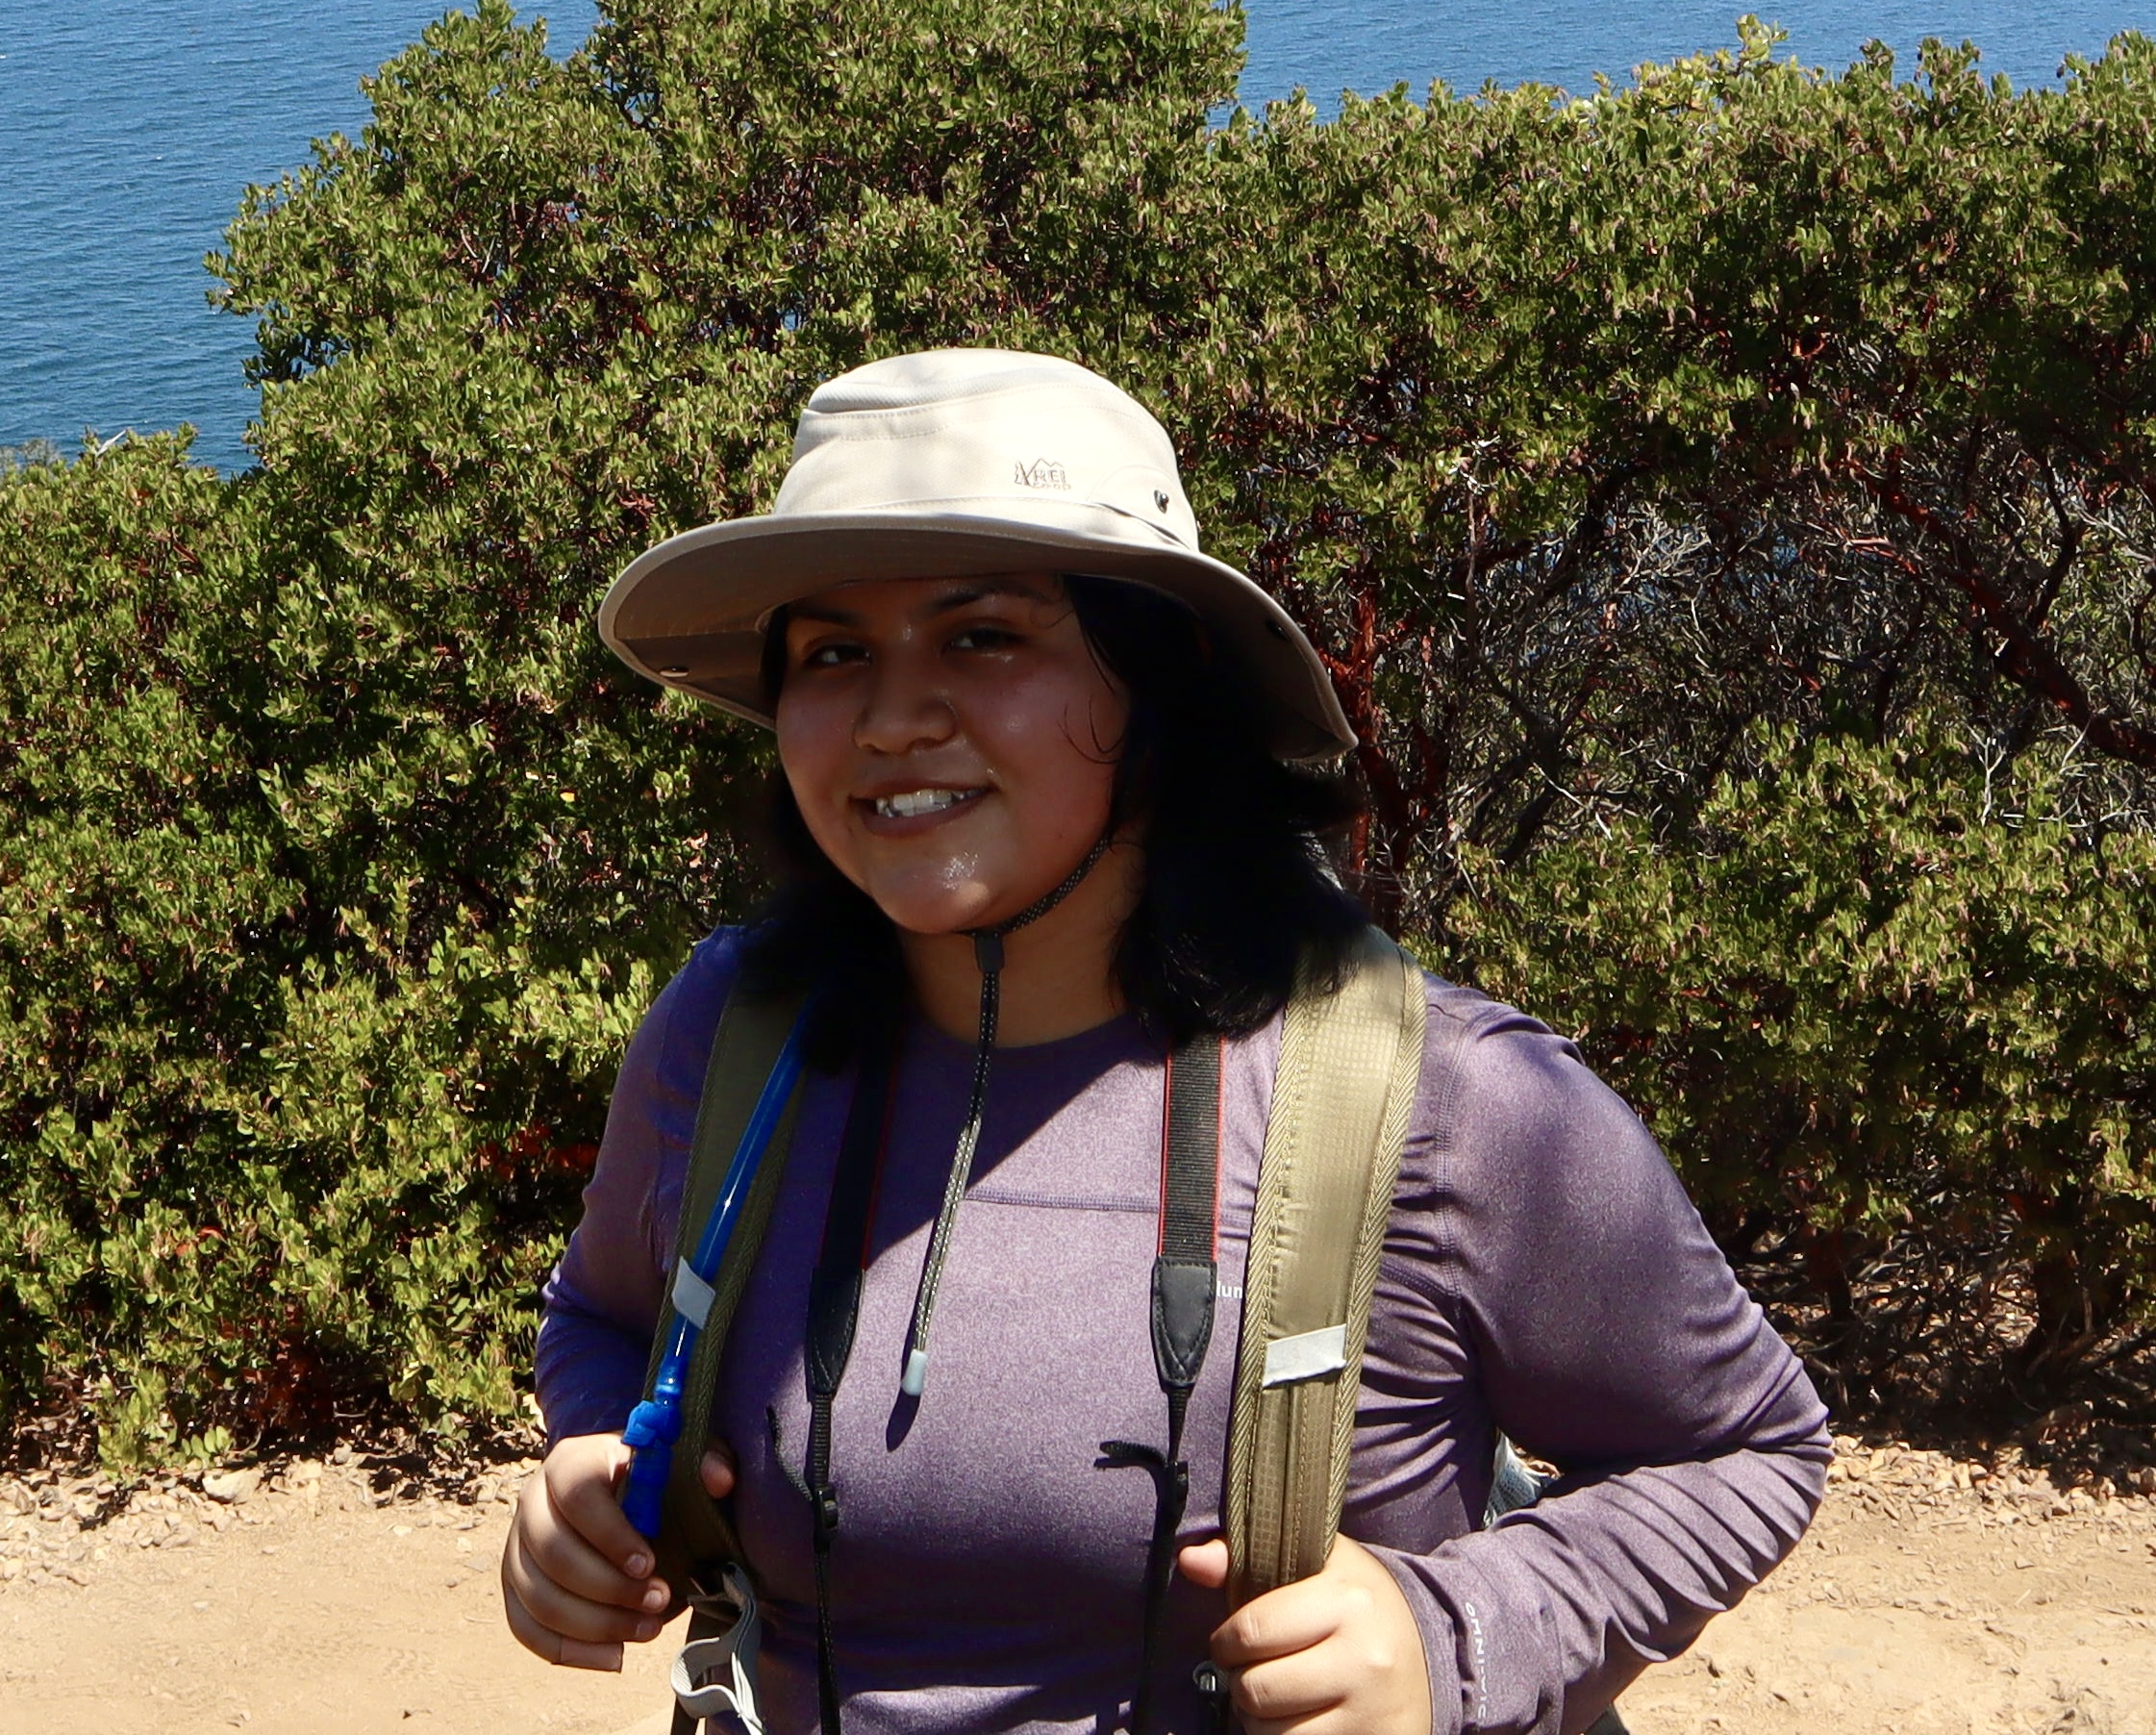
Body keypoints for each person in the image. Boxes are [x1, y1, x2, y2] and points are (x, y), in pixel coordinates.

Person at [505, 349, 1829, 1735]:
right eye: (833, 654)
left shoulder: (1441, 1101)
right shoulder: (731, 1038)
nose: (891, 719)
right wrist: (596, 1470)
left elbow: (1744, 1446)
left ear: (1159, 687)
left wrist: (1452, 1637)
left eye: (984, 636)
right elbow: (601, 1312)